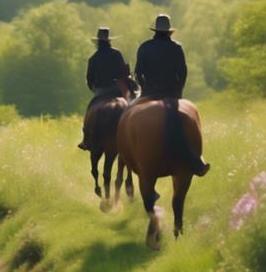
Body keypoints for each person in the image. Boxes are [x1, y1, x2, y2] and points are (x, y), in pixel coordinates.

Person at [134, 14, 209, 175]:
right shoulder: (176, 47)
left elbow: (138, 72)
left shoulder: (145, 47)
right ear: (169, 32)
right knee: (192, 114)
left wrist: (144, 88)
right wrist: (178, 91)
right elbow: (182, 72)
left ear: (154, 30)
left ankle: (128, 156)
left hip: (149, 92)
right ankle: (197, 158)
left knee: (127, 114)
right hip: (172, 93)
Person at [78, 27, 128, 151]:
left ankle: (86, 140)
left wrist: (95, 90)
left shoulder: (93, 58)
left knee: (89, 111)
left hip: (101, 91)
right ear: (109, 41)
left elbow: (89, 80)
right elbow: (123, 74)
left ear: (97, 42)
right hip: (117, 90)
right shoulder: (117, 54)